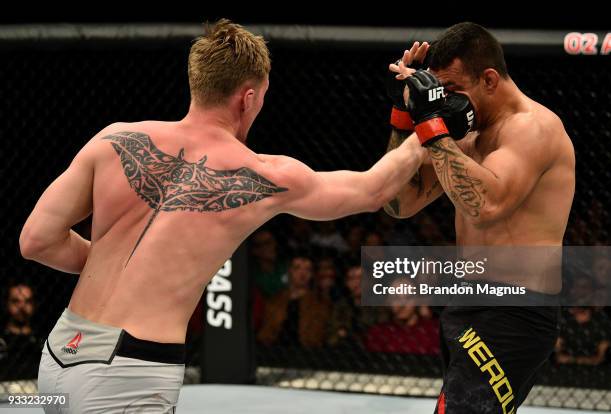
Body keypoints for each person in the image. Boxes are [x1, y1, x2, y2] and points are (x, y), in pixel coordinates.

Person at [19, 19, 426, 413]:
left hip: (60, 354)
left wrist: (120, 267)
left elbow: (36, 240)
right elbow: (373, 190)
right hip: (129, 373)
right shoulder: (263, 175)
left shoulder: (115, 139)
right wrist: (427, 120)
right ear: (248, 97)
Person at [384, 22, 575, 413]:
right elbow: (399, 202)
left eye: (451, 90)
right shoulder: (465, 135)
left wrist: (431, 126)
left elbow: (486, 207)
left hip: (514, 311)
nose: (442, 101)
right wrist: (406, 115)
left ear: (488, 79)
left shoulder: (532, 128)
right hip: (467, 301)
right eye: (436, 91)